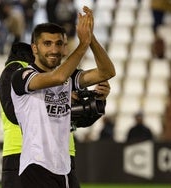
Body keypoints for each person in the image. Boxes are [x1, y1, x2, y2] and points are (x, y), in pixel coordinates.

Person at [10, 6, 115, 187]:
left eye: (59, 44)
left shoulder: (69, 78)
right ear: (34, 48)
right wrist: (83, 45)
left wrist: (91, 40)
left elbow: (107, 71)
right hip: (36, 167)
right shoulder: (22, 76)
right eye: (47, 43)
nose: (54, 49)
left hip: (64, 168)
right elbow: (57, 78)